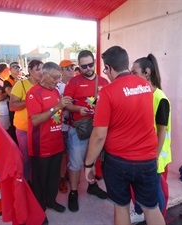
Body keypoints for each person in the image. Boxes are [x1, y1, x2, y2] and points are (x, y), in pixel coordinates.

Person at [84, 46, 165, 225]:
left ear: (110, 68)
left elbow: (98, 135)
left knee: (121, 207)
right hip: (147, 160)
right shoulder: (146, 86)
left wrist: (89, 164)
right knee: (151, 208)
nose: (106, 73)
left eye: (106, 69)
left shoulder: (107, 92)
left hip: (118, 162)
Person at [26, 62, 73, 220]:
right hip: (41, 145)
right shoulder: (34, 93)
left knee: (53, 177)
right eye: (54, 77)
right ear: (44, 75)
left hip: (56, 143)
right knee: (39, 180)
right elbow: (35, 120)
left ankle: (51, 201)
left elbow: (57, 112)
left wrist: (67, 105)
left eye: (59, 77)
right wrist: (57, 106)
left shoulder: (55, 92)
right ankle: (39, 211)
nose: (57, 80)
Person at [64, 50, 109, 212]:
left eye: (91, 64)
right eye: (84, 66)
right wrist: (77, 108)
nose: (88, 68)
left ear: (94, 61)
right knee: (76, 163)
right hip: (79, 129)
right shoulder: (73, 82)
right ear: (79, 66)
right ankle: (74, 192)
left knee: (94, 158)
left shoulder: (104, 81)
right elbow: (66, 104)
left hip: (99, 128)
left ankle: (92, 185)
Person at [129, 54, 172, 223]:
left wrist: (154, 156)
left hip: (155, 155)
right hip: (143, 153)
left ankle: (158, 219)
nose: (131, 76)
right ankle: (140, 212)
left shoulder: (160, 98)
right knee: (141, 188)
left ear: (146, 72)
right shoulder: (144, 94)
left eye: (134, 72)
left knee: (156, 192)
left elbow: (162, 131)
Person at [9, 59, 43, 181]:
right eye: (37, 69)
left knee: (40, 158)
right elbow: (12, 106)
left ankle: (38, 182)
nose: (41, 72)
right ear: (29, 70)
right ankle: (26, 183)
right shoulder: (21, 84)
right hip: (24, 129)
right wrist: (30, 100)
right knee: (27, 158)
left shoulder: (44, 85)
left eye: (42, 69)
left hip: (41, 129)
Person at [57, 59, 75, 193]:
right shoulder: (57, 87)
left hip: (75, 125)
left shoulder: (75, 84)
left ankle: (69, 172)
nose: (71, 70)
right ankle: (62, 176)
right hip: (62, 125)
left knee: (72, 151)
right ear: (61, 71)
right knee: (63, 153)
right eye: (67, 68)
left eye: (72, 67)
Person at [3, 61, 22, 144]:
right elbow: (10, 93)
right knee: (15, 128)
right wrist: (17, 84)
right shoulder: (7, 81)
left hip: (23, 107)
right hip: (14, 108)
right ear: (10, 69)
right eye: (15, 67)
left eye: (18, 67)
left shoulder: (23, 79)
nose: (17, 68)